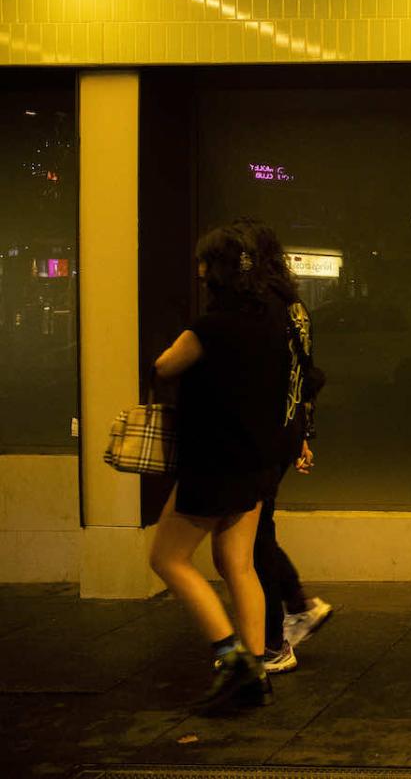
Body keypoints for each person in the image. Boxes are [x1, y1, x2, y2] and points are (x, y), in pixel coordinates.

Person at [148, 224, 289, 711]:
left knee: (167, 558)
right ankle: (256, 670)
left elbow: (165, 367)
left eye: (205, 262)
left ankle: (233, 660)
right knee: (238, 563)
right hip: (256, 462)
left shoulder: (208, 329)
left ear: (218, 270)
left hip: (213, 464)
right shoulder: (273, 324)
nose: (200, 269)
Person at [234, 218, 334, 674]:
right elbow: (305, 375)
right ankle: (296, 605)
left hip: (262, 436)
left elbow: (276, 376)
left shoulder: (260, 308)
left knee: (253, 538)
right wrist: (303, 437)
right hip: (285, 432)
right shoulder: (294, 306)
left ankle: (275, 638)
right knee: (259, 531)